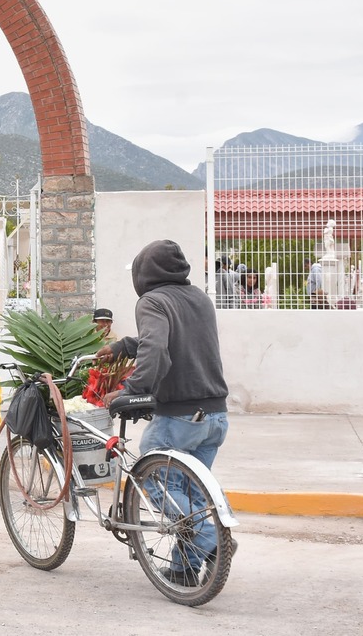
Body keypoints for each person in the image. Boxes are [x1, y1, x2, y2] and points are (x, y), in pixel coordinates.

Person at [97, 239, 230, 586]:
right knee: (194, 495)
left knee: (151, 479)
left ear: (145, 273)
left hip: (180, 416)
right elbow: (173, 338)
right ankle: (184, 570)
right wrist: (123, 346)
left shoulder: (151, 301)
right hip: (215, 415)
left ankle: (213, 541)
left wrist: (131, 390)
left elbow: (156, 350)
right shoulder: (199, 297)